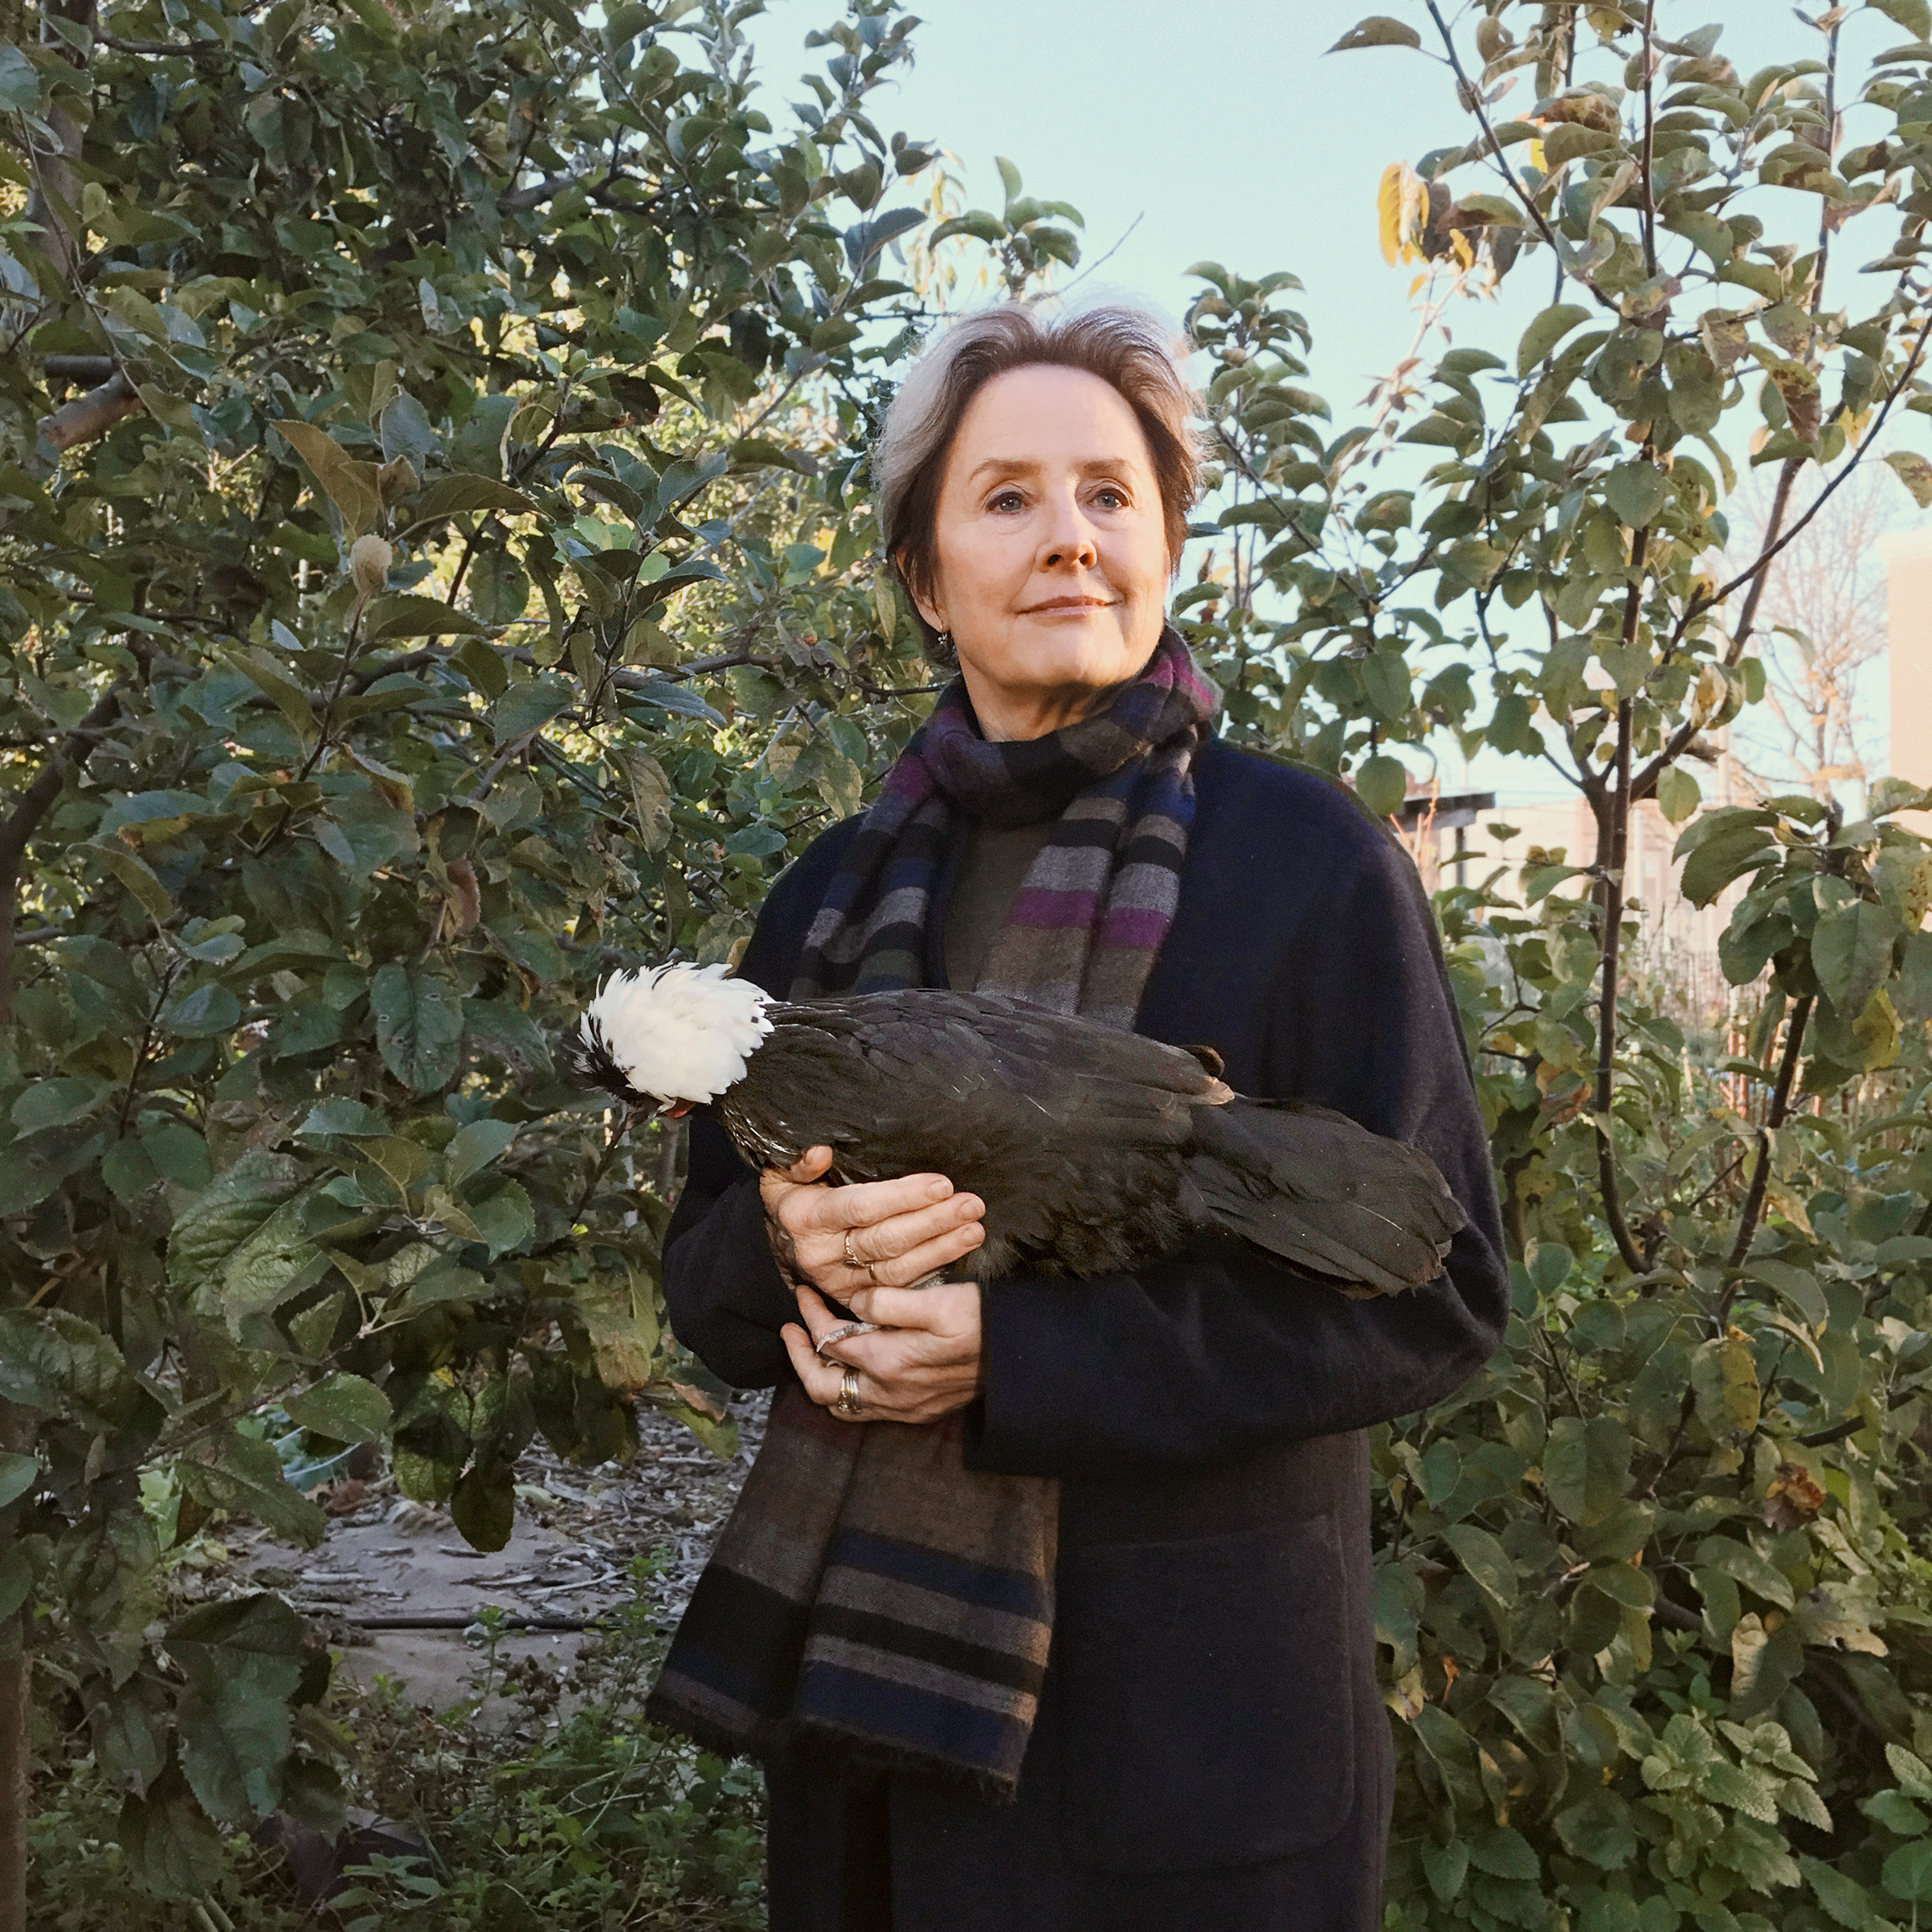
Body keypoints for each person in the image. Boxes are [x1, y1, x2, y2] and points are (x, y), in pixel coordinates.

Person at [648, 302, 1509, 1932]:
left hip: (1186, 1749)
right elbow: (702, 1291)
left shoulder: (1308, 866)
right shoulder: (823, 905)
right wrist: (785, 1251)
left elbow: (1446, 1302)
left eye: (1112, 496)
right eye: (1009, 497)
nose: (1069, 541)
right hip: (871, 1745)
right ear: (924, 575)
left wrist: (1013, 1365)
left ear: (1169, 544)